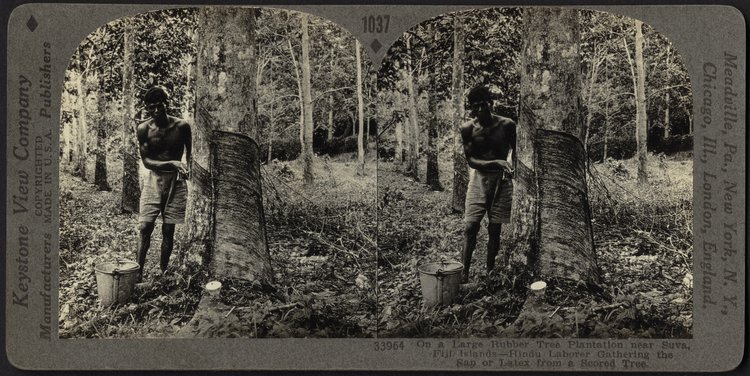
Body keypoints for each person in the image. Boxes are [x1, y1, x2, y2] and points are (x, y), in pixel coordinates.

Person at [459, 85, 516, 283]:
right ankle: (464, 273)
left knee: (494, 228)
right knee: (470, 226)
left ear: (490, 104)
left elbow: (517, 152)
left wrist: (512, 170)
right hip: (479, 179)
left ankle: (489, 272)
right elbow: (471, 160)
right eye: (473, 107)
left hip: (502, 181)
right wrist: (496, 162)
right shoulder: (468, 129)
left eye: (481, 106)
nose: (478, 111)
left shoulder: (507, 125)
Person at [136, 86, 192, 282]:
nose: (156, 111)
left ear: (166, 104)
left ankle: (163, 272)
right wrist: (172, 163)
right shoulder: (144, 129)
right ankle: (138, 272)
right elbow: (146, 161)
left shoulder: (182, 127)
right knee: (145, 226)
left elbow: (191, 155)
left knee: (168, 229)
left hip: (176, 182)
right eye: (151, 107)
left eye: (159, 106)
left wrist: (187, 171)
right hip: (153, 179)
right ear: (147, 108)